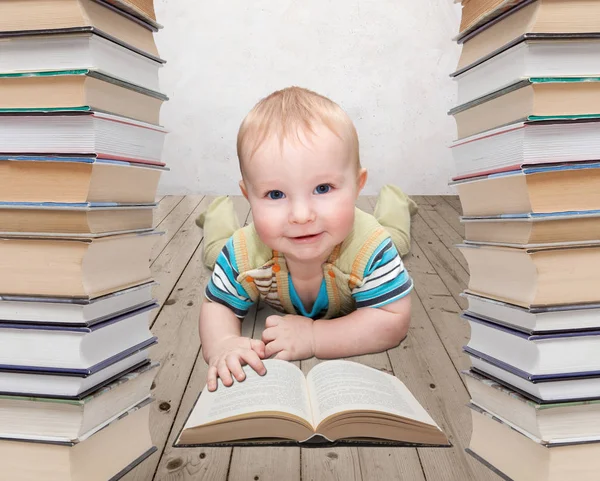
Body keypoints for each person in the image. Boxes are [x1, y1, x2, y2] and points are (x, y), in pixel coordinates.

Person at [197, 86, 417, 391]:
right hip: (251, 241)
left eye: (323, 188)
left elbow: (393, 319)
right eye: (275, 194)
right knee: (215, 252)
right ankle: (216, 211)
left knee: (397, 237)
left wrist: (315, 337)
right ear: (249, 197)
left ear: (356, 185)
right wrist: (222, 342)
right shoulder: (245, 253)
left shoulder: (372, 248)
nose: (301, 215)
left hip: (370, 233)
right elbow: (217, 304)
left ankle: (396, 199)